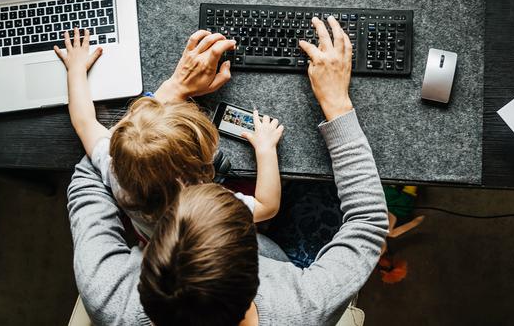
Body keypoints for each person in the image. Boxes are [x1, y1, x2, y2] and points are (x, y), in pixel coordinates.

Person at [66, 16, 389, 325]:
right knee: (320, 194)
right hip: (285, 260)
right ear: (254, 274)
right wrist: (337, 103)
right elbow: (368, 222)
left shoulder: (107, 297)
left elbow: (88, 177)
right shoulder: (304, 308)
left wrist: (168, 95)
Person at [54, 29, 285, 239]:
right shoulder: (208, 207)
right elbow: (267, 206)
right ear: (202, 169)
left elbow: (84, 122)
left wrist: (75, 70)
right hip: (202, 236)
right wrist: (266, 149)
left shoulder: (115, 169)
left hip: (153, 236)